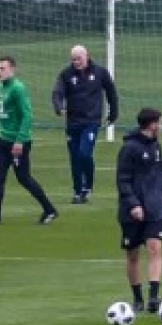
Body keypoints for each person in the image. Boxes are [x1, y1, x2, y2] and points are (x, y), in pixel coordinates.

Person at [0, 55, 59, 225]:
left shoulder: (17, 88)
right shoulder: (1, 86)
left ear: (12, 69)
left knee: (23, 178)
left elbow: (27, 115)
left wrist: (20, 140)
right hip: (3, 139)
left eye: (3, 68)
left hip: (17, 141)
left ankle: (49, 209)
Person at [117, 107, 162, 316]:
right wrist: (133, 205)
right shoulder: (129, 149)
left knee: (154, 247)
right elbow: (122, 180)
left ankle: (153, 297)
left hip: (155, 208)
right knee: (133, 255)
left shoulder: (157, 147)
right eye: (160, 123)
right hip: (131, 212)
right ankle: (137, 298)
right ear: (151, 125)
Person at [52, 44, 119, 205]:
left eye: (79, 58)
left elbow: (111, 92)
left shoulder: (100, 72)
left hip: (91, 121)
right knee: (74, 157)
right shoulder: (66, 74)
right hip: (73, 122)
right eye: (73, 59)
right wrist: (59, 107)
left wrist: (113, 113)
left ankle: (87, 186)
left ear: (87, 56)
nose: (76, 62)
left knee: (84, 153)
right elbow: (57, 92)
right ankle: (77, 191)